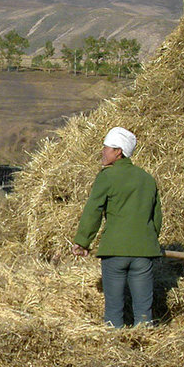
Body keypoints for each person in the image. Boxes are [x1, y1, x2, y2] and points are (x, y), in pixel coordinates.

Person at [71, 127, 162, 328]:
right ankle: (146, 347)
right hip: (143, 254)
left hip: (115, 252)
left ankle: (114, 349)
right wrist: (148, 241)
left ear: (118, 152)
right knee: (144, 315)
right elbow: (156, 218)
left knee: (113, 310)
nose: (103, 153)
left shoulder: (107, 177)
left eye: (106, 149)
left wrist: (83, 241)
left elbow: (93, 210)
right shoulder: (147, 179)